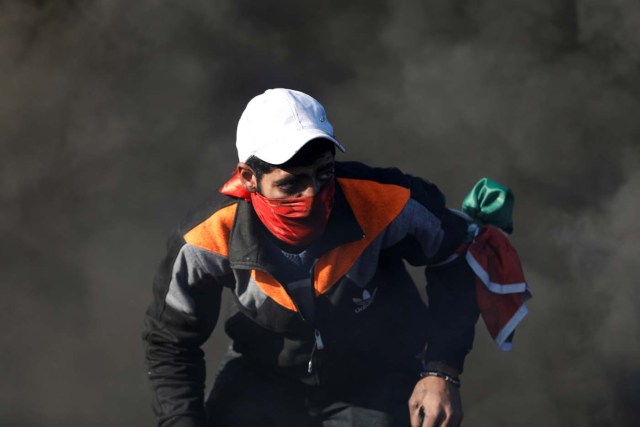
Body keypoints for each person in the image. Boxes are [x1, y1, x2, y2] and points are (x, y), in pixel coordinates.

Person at [143, 88, 481, 427]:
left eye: (323, 174)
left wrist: (442, 371)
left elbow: (454, 256)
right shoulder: (206, 237)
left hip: (374, 381)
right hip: (262, 378)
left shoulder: (385, 201)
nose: (312, 194)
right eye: (292, 184)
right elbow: (171, 342)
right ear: (249, 178)